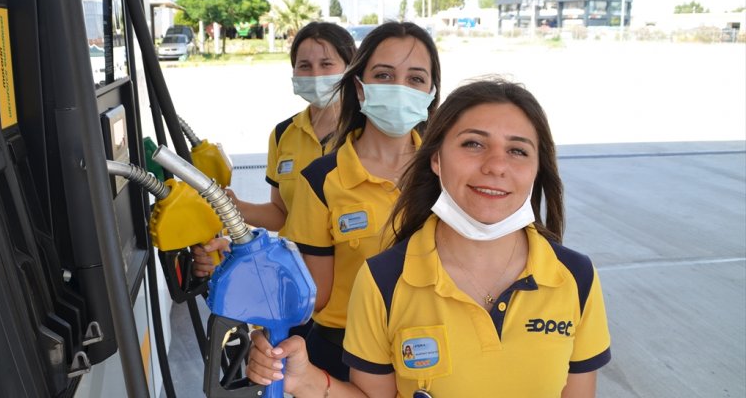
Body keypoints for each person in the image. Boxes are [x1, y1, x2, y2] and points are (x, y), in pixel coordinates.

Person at [246, 78, 612, 397]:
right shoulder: (383, 280)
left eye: (517, 150)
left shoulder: (575, 277)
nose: (496, 165)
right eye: (473, 144)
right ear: (436, 159)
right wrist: (305, 380)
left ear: (537, 168)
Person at [280, 21, 441, 381]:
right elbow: (314, 296)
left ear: (431, 92)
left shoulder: (448, 174)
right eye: (384, 75)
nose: (399, 88)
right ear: (360, 86)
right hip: (344, 357)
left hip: (434, 356)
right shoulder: (321, 180)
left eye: (415, 79)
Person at [226, 22, 356, 233]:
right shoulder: (282, 134)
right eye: (304, 65)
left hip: (355, 265)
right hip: (296, 263)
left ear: (350, 67)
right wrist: (235, 206)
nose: (315, 75)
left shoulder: (368, 131)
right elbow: (280, 215)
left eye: (326, 64)